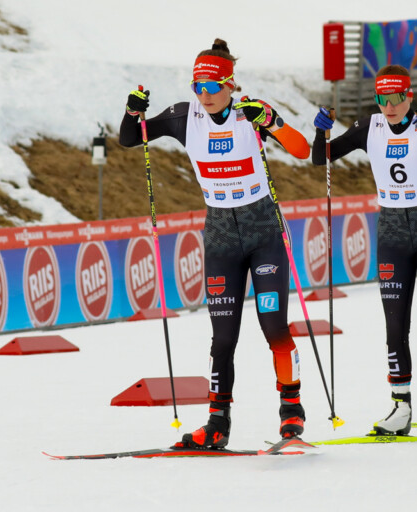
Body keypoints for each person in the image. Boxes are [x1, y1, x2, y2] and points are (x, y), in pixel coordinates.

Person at [119, 39, 311, 446]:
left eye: (211, 87)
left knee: (273, 325)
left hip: (262, 232)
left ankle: (291, 413)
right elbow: (129, 138)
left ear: (230, 85)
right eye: (197, 87)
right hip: (221, 235)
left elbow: (301, 149)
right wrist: (133, 110)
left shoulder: (250, 114)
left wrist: (273, 121)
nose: (203, 95)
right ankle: (217, 423)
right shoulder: (182, 117)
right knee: (223, 337)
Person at [310, 64, 417, 435]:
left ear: (409, 97)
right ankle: (400, 406)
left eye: (396, 98)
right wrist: (320, 130)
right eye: (382, 99)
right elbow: (321, 158)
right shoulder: (367, 127)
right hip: (391, 231)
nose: (389, 106)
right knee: (394, 326)